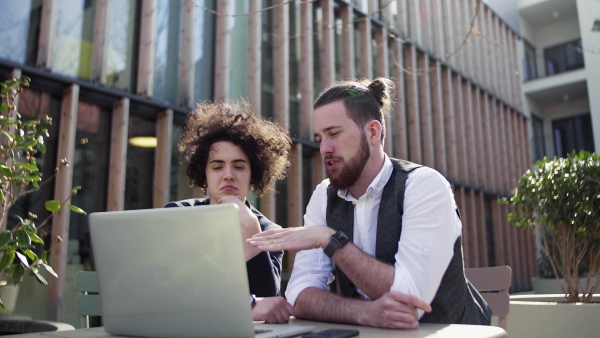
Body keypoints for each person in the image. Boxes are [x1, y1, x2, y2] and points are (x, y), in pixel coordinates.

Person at [248, 78, 492, 329]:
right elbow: (299, 294)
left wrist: (331, 239)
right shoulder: (324, 195)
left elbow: (410, 302)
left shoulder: (423, 186)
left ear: (373, 132)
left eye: (334, 134)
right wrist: (365, 313)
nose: (324, 149)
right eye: (319, 138)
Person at [165, 101, 294, 324]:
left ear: (253, 175)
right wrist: (248, 305)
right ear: (203, 175)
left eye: (239, 166)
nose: (228, 175)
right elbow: (174, 288)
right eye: (217, 167)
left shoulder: (269, 232)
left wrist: (252, 231)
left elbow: (268, 301)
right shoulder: (178, 215)